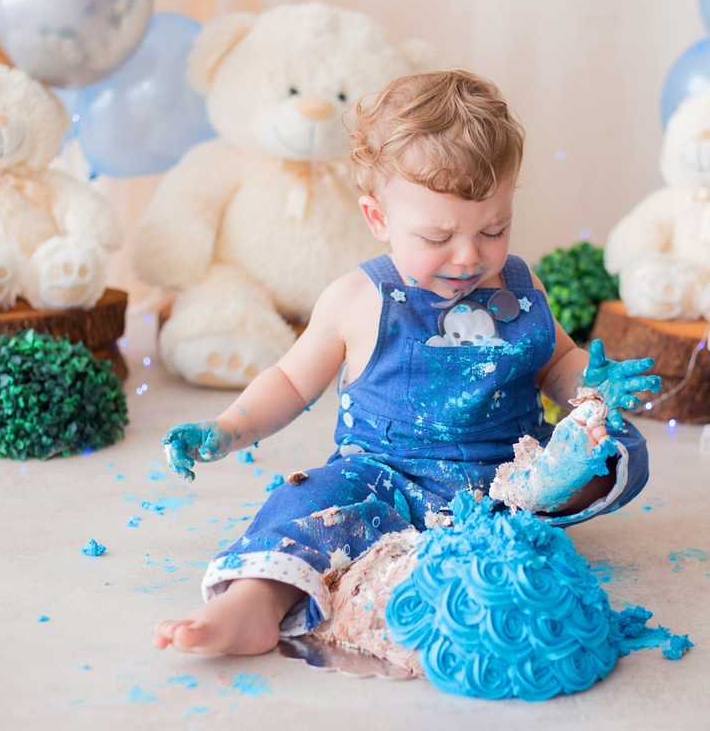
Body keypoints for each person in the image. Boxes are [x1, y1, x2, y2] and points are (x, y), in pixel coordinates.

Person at [152, 70, 659, 657]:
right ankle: (254, 602)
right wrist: (226, 429)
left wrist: (591, 389)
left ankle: (551, 485)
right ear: (379, 219)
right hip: (384, 480)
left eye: (493, 229)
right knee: (308, 503)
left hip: (507, 477)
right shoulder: (356, 299)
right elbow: (290, 380)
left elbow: (557, 362)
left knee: (620, 444)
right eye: (438, 237)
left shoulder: (521, 287)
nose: (469, 256)